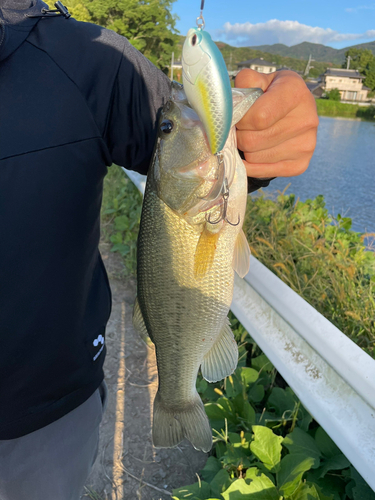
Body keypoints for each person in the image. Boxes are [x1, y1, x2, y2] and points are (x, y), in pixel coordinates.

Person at [0, 0, 319, 498]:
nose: (170, 124)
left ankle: (176, 397)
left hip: (45, 423)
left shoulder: (93, 60)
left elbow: (208, 129)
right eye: (169, 129)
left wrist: (268, 122)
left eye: (165, 130)